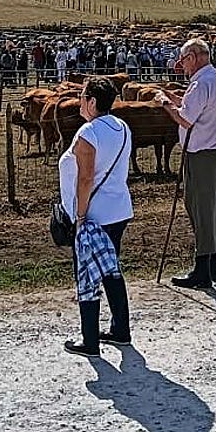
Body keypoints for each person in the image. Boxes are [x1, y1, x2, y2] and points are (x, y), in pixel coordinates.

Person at [59, 77, 133, 357]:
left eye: (82, 97)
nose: (79, 101)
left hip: (94, 215)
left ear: (91, 101)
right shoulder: (122, 127)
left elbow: (86, 177)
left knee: (87, 274)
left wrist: (79, 215)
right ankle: (120, 329)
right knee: (111, 269)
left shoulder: (89, 133)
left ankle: (90, 339)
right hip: (119, 209)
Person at [157, 37, 216, 289]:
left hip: (201, 153)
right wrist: (177, 98)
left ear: (194, 57)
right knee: (215, 206)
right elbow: (198, 108)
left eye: (184, 60)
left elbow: (186, 120)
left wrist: (166, 104)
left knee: (199, 206)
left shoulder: (200, 83)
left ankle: (202, 270)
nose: (182, 65)